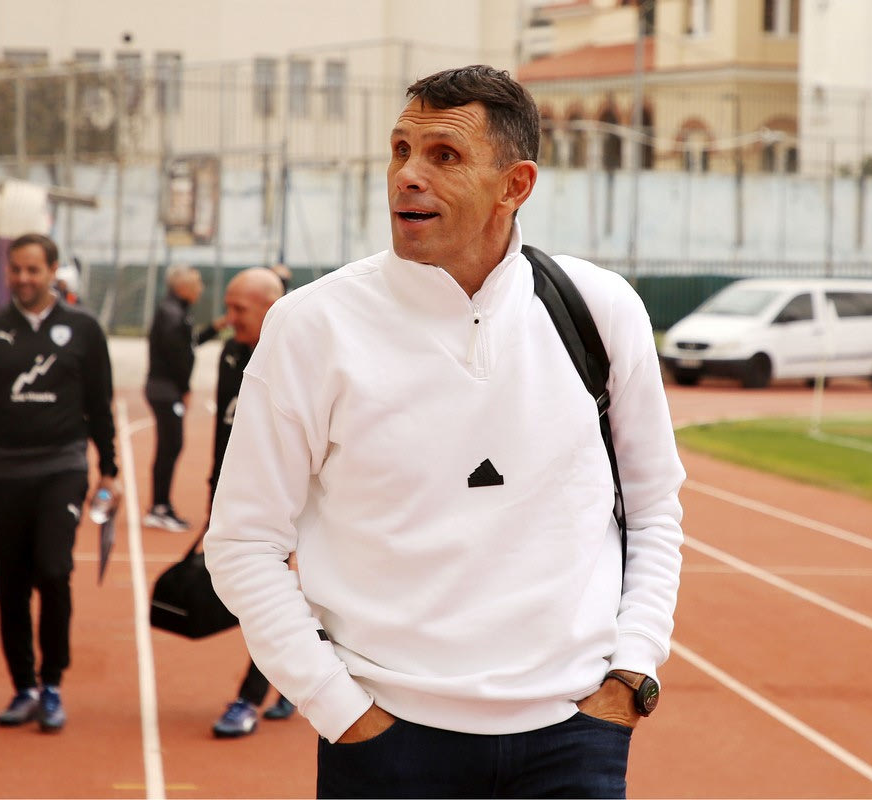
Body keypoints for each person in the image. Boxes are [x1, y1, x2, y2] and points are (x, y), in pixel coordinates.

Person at [205, 64, 685, 798]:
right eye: (400, 150)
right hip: (385, 746)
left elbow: (652, 509)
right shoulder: (311, 325)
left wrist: (631, 673)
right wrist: (340, 710)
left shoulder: (600, 308)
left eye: (444, 155)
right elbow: (243, 541)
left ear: (515, 185)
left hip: (573, 742)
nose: (408, 175)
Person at [0, 232, 121, 734]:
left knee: (54, 571)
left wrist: (110, 469)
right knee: (11, 585)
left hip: (62, 467)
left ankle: (52, 682)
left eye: (33, 270)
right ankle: (24, 687)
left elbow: (100, 403)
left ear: (53, 271)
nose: (23, 278)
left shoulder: (83, 329)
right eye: (15, 269)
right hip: (3, 471)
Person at [198, 267, 296, 738]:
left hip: (291, 495)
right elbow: (224, 427)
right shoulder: (231, 353)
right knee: (259, 595)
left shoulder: (298, 351)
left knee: (270, 597)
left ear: (269, 307)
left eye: (239, 309)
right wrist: (214, 494)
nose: (229, 317)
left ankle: (249, 698)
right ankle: (296, 676)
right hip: (243, 493)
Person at [143, 264, 204, 532]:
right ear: (182, 286)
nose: (200, 288)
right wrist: (185, 388)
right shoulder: (171, 313)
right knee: (170, 446)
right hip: (165, 390)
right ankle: (159, 507)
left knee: (170, 446)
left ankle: (160, 505)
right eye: (196, 282)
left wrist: (215, 328)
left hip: (165, 388)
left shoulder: (176, 311)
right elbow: (176, 356)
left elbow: (188, 345)